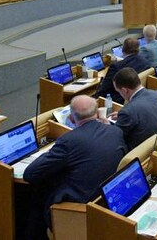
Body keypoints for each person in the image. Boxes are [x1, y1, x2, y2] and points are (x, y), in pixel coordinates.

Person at [23, 95, 127, 236]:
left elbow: (29, 174)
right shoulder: (115, 131)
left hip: (76, 209)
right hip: (104, 198)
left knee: (35, 195)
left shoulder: (69, 141)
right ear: (96, 114)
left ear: (71, 119)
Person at [108, 67, 157, 149]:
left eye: (118, 91)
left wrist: (106, 124)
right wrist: (122, 117)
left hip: (140, 152)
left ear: (124, 90)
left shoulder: (128, 111)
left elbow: (115, 137)